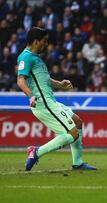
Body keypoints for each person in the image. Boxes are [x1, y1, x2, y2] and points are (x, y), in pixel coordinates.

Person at [17, 27, 96, 171]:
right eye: (44, 41)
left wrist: (60, 84)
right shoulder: (25, 57)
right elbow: (20, 80)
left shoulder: (36, 58)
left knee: (77, 122)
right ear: (35, 41)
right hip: (43, 103)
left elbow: (44, 79)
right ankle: (36, 152)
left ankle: (77, 163)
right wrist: (30, 95)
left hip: (51, 101)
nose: (46, 44)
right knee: (72, 133)